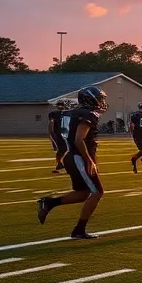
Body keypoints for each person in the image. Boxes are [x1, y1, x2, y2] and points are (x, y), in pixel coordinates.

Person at [37, 86, 110, 240]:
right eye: (100, 98)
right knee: (97, 192)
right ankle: (79, 230)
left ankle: (49, 203)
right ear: (90, 99)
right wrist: (89, 160)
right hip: (79, 157)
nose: (102, 101)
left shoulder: (69, 113)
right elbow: (79, 138)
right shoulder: (89, 114)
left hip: (71, 155)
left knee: (83, 193)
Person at [47, 99, 70, 174]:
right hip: (60, 134)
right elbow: (51, 125)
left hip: (64, 133)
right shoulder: (54, 114)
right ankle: (63, 164)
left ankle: (59, 163)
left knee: (62, 150)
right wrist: (53, 135)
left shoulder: (67, 113)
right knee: (65, 150)